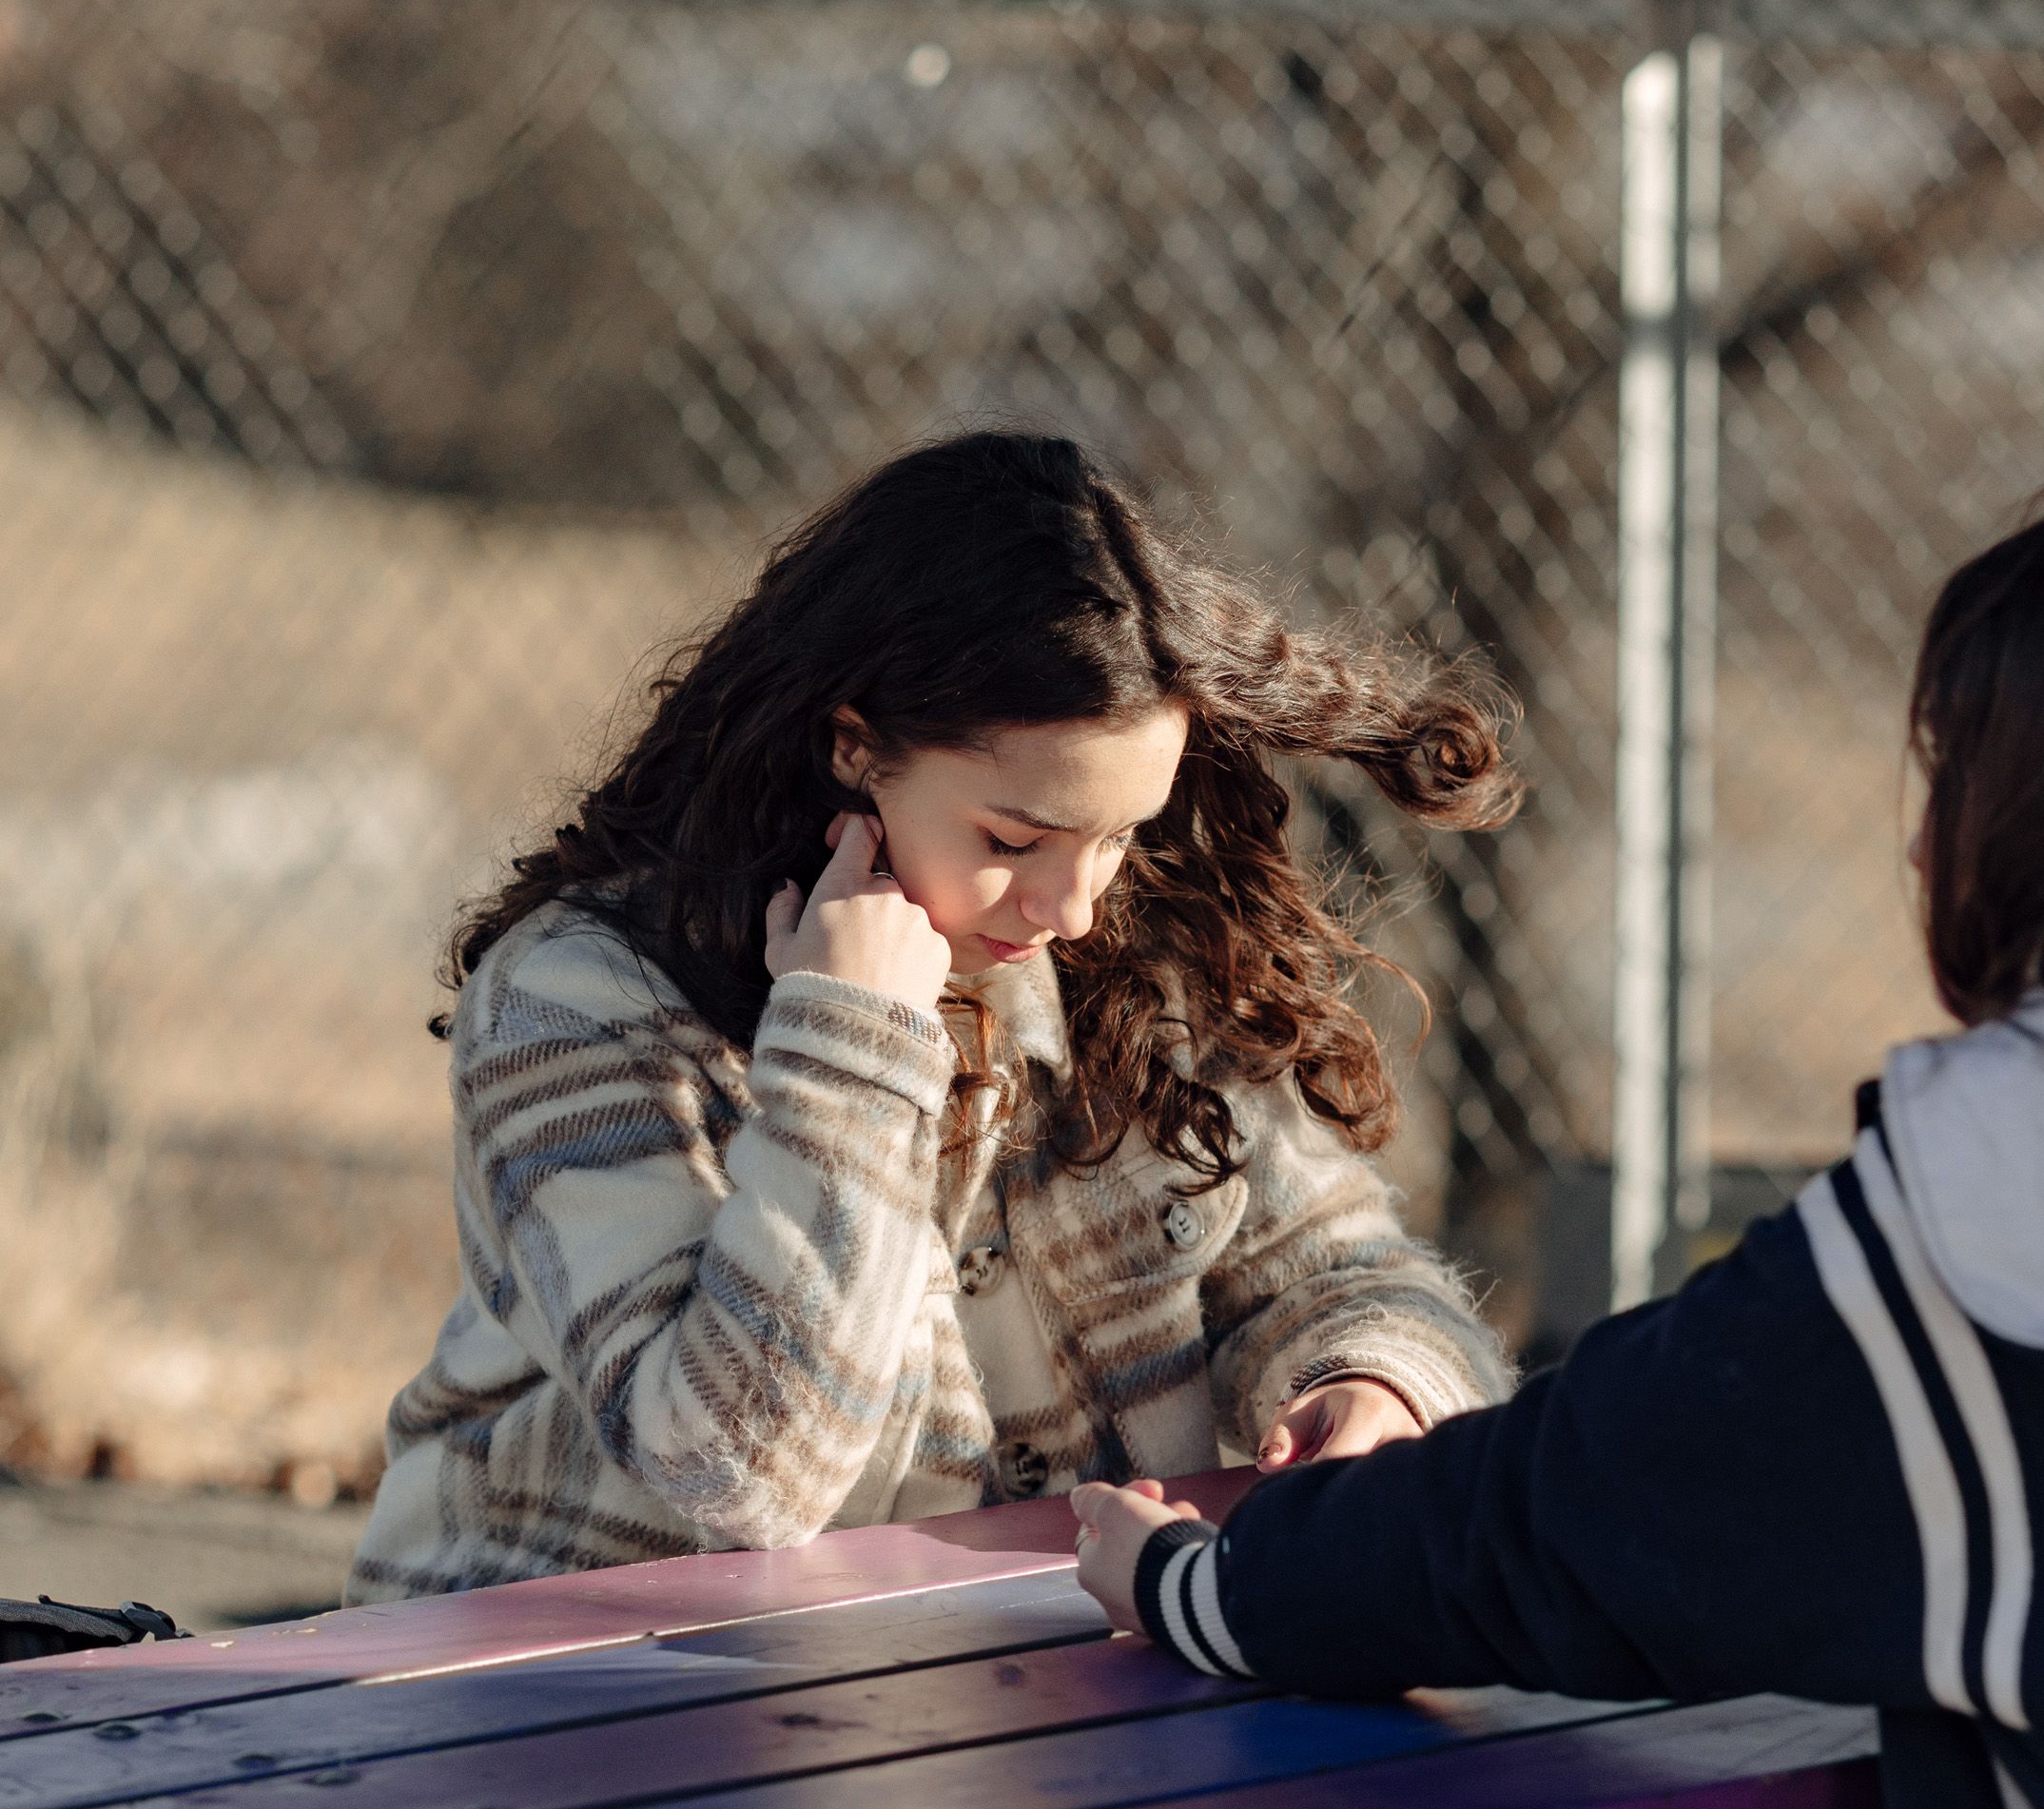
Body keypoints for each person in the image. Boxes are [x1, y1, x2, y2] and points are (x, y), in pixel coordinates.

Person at [1075, 477, 2044, 1809]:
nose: (1918, 835)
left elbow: (1582, 1516)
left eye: (1955, 776)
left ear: (2041, 810)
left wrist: (1209, 1584)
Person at [347, 430, 1519, 1601]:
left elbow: (1340, 1267)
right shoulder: (575, 998)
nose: (1072, 907)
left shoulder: (1133, 962)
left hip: (1010, 1682)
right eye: (1013, 840)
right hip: (556, 1694)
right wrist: (848, 1048)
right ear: (854, 748)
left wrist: (1379, 1383)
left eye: (1117, 835)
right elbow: (739, 1475)